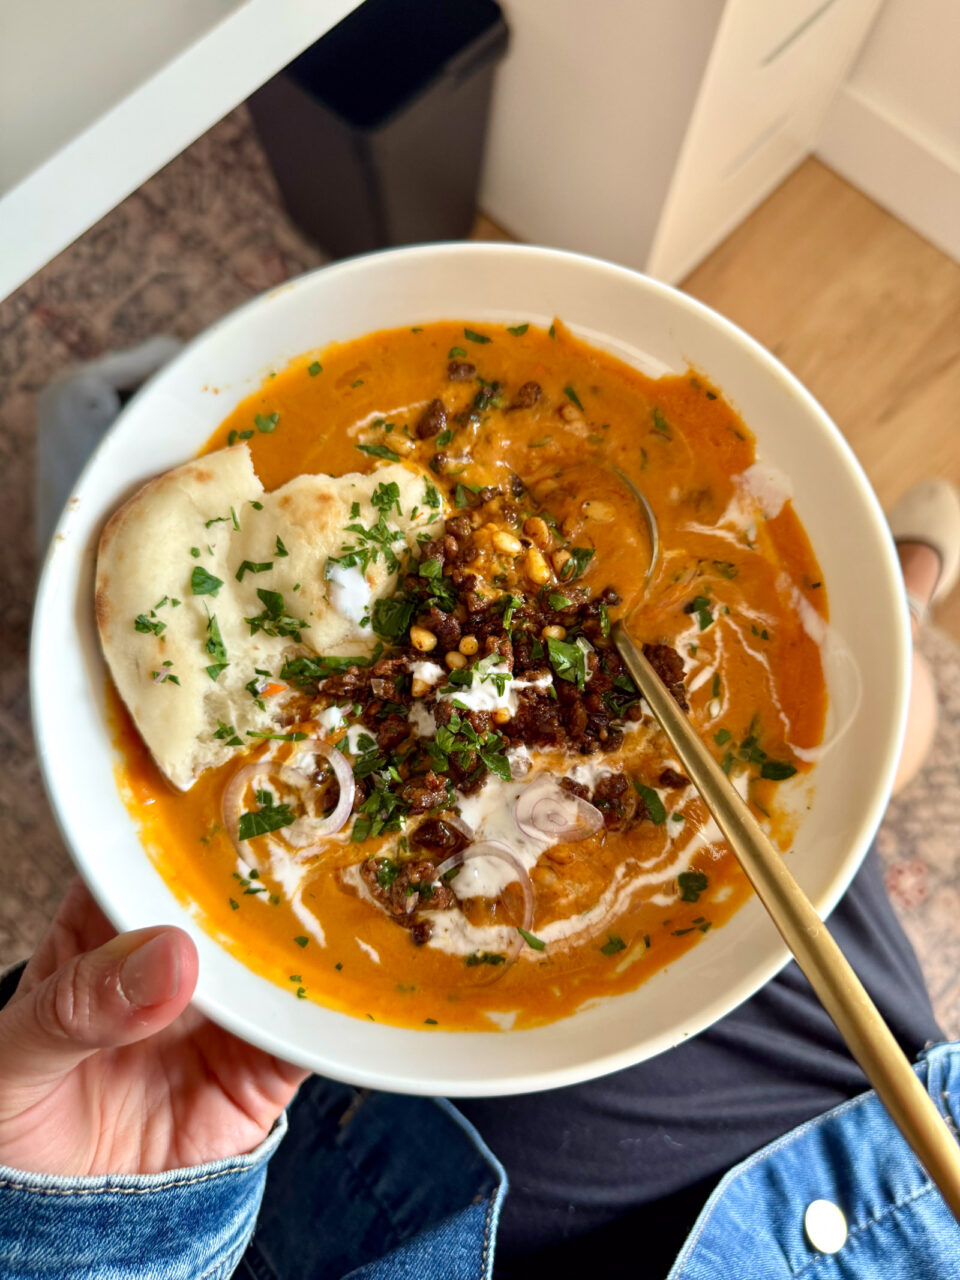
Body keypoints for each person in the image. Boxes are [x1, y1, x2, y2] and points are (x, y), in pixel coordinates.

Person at [1, 483, 958, 1279]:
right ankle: (902, 591)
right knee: (849, 761)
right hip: (867, 1100)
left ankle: (903, 585)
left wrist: (99, 1237)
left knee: (821, 760)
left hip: (363, 1158)